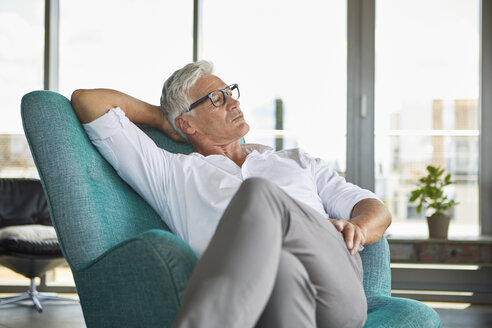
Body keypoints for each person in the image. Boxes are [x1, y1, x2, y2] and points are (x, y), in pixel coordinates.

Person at [71, 60, 391, 328]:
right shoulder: (172, 173)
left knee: (259, 193)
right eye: (216, 99)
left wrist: (359, 228)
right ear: (188, 124)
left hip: (334, 287)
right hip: (272, 300)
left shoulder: (295, 161)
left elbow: (376, 209)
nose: (234, 102)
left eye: (230, 93)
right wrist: (162, 119)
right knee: (281, 268)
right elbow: (89, 101)